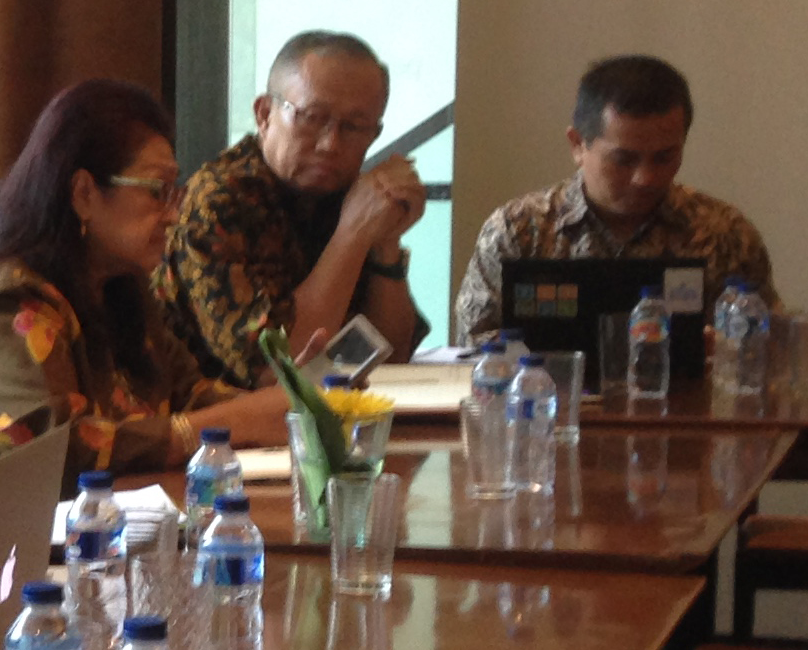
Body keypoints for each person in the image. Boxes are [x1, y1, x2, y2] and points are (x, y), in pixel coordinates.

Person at [0, 82, 290, 508]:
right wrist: (226, 424)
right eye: (157, 191)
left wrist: (283, 405)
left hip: (104, 525)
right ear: (84, 193)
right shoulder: (4, 303)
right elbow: (61, 453)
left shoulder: (119, 285)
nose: (174, 214)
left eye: (174, 192)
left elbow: (188, 392)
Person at [156, 30, 428, 385]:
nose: (330, 144)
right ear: (264, 113)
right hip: (219, 415)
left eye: (354, 127)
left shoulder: (348, 194)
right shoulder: (218, 200)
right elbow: (277, 369)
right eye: (312, 117)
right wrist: (352, 234)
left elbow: (390, 355)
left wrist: (385, 244)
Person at [454, 53, 778, 344]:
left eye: (664, 157)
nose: (645, 178)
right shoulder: (518, 231)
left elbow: (769, 343)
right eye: (624, 159)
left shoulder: (724, 234)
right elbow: (472, 345)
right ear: (577, 145)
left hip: (686, 394)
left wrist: (724, 349)